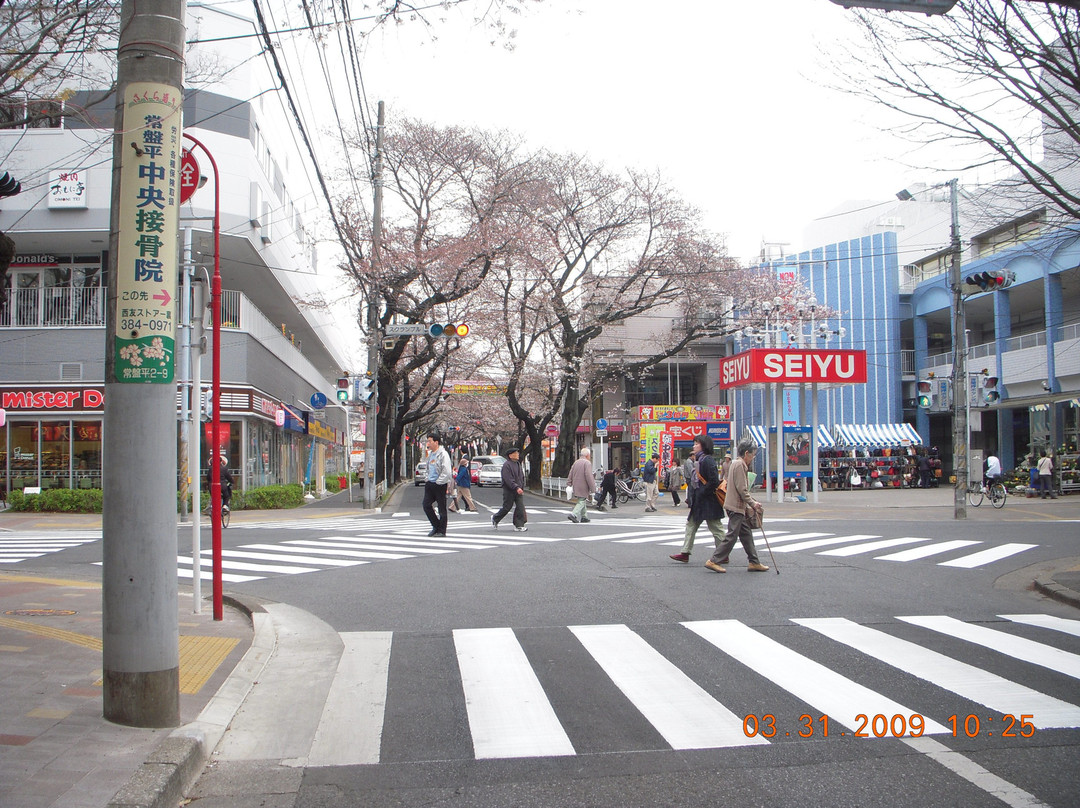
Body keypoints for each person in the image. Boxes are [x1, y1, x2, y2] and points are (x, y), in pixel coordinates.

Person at [706, 439, 769, 573]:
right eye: (753, 455)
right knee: (732, 535)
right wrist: (753, 503)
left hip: (735, 505)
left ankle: (754, 562)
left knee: (746, 535)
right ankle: (714, 561)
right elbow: (742, 489)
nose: (753, 458)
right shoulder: (740, 465)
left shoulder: (735, 463)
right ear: (746, 453)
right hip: (736, 506)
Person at [669, 435, 726, 564]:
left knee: (716, 528)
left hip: (709, 501)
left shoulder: (707, 460)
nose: (694, 446)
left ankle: (723, 553)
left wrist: (702, 492)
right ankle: (685, 552)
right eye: (694, 443)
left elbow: (713, 481)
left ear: (704, 446)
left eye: (696, 444)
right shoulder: (700, 459)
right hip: (700, 501)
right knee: (691, 525)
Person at [422, 432, 452, 537]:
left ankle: (442, 530)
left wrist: (439, 481)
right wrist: (427, 478)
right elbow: (428, 468)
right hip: (430, 483)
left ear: (436, 442)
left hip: (440, 484)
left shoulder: (443, 454)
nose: (428, 443)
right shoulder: (430, 454)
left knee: (441, 507)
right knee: (426, 505)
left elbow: (447, 471)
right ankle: (436, 526)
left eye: (430, 441)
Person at [492, 447, 528, 531]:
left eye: (518, 453)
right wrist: (516, 487)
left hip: (518, 490)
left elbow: (521, 476)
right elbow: (508, 479)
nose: (518, 454)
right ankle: (495, 518)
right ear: (510, 455)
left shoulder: (517, 464)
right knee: (507, 507)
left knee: (520, 507)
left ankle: (519, 525)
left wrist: (521, 487)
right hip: (509, 490)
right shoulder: (506, 465)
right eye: (516, 453)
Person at [566, 447, 598, 523]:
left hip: (576, 484)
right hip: (583, 485)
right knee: (582, 501)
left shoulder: (576, 462)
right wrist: (593, 488)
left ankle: (584, 517)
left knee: (582, 499)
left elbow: (571, 473)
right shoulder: (587, 463)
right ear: (587, 455)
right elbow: (589, 476)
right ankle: (573, 514)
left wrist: (569, 483)